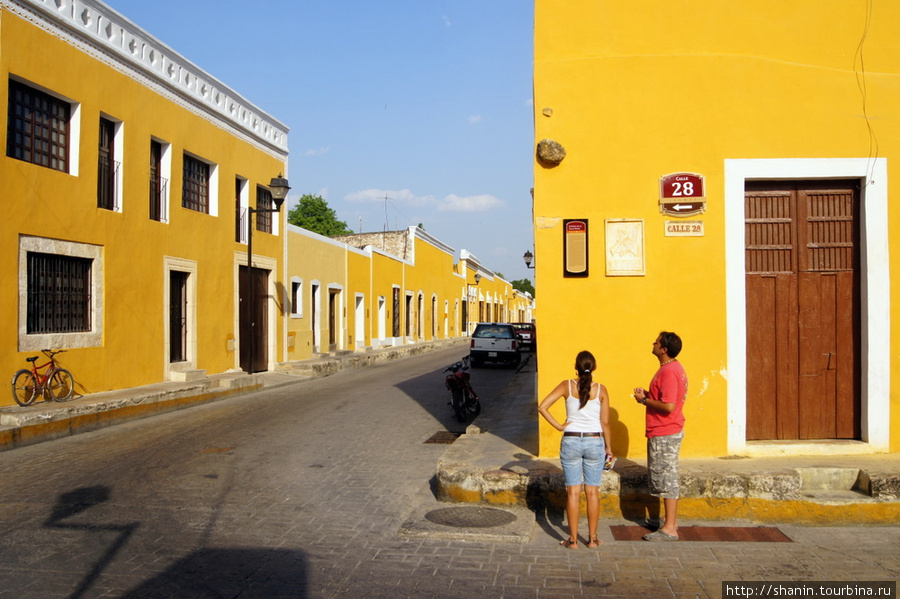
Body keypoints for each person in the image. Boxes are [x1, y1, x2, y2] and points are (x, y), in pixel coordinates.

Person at [538, 350, 613, 549]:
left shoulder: (566, 386)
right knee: (592, 493)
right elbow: (605, 422)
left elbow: (542, 407)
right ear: (594, 367)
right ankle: (593, 539)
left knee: (573, 492)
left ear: (575, 367)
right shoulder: (601, 390)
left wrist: (560, 426)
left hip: (570, 440)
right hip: (594, 441)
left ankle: (572, 540)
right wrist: (609, 447)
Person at [633, 331, 688, 541]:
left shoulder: (669, 372)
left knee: (667, 478)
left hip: (665, 430)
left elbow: (669, 406)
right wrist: (648, 395)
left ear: (664, 349)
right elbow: (665, 399)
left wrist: (644, 401)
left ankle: (670, 527)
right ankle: (667, 521)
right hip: (664, 429)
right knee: (663, 476)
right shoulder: (671, 368)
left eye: (656, 343)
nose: (653, 344)